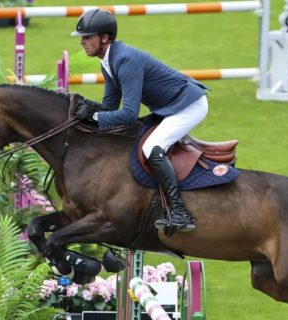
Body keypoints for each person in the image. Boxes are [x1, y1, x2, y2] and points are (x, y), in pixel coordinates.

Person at [71, 9, 209, 235]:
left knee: (152, 148)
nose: (82, 42)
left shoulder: (125, 60)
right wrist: (90, 108)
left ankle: (179, 212)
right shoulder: (108, 61)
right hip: (170, 106)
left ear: (105, 38)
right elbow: (109, 107)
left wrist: (94, 116)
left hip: (189, 105)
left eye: (87, 37)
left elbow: (127, 115)